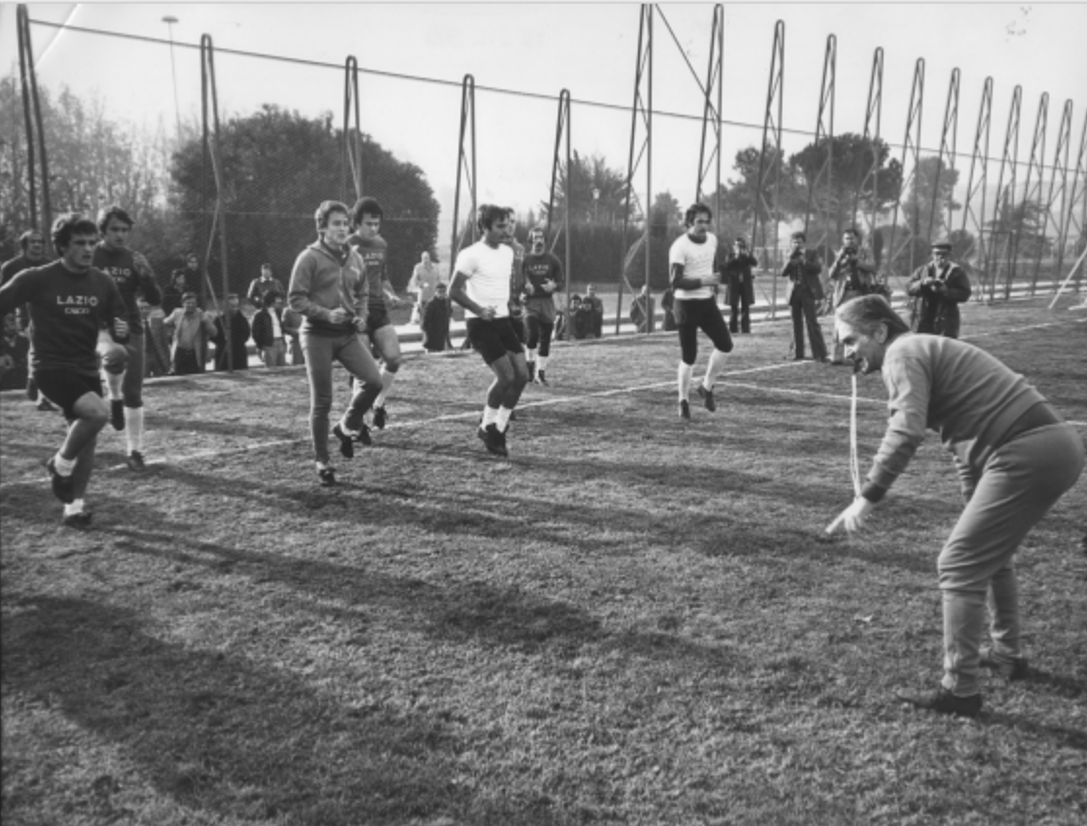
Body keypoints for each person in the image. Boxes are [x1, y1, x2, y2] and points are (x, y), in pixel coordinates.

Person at [827, 295, 1085, 717]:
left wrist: (867, 498)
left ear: (879, 331)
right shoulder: (919, 348)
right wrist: (973, 498)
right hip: (1048, 447)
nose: (848, 352)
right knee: (992, 558)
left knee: (958, 564)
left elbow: (905, 431)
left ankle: (960, 691)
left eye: (851, 340)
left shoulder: (901, 352)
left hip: (1028, 449)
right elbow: (960, 431)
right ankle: (1007, 654)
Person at [0, 213, 129, 527]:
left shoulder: (103, 281)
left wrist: (118, 344)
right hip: (50, 366)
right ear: (61, 247)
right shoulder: (36, 277)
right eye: (79, 243)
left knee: (88, 440)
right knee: (97, 414)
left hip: (86, 366)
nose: (88, 249)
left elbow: (119, 325)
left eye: (91, 242)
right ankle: (58, 465)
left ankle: (74, 508)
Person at [289, 199, 383, 487]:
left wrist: (362, 317)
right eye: (336, 224)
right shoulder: (309, 257)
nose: (342, 229)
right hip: (317, 334)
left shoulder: (354, 258)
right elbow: (295, 299)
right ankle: (322, 461)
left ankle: (346, 426)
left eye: (345, 223)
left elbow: (363, 293)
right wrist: (326, 314)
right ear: (322, 227)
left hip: (346, 334)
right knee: (323, 401)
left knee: (374, 381)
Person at [449, 203, 530, 458]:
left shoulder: (508, 252)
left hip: (503, 321)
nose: (505, 230)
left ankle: (494, 428)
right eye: (499, 226)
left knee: (523, 376)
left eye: (507, 225)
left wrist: (515, 302)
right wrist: (478, 309)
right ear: (484, 227)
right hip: (480, 324)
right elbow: (453, 291)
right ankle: (490, 428)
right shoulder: (470, 254)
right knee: (505, 377)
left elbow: (502, 286)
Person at [92, 205, 163, 472]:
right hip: (98, 327)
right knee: (111, 358)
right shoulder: (91, 255)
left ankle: (135, 451)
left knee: (134, 392)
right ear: (102, 231)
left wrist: (147, 278)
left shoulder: (134, 258)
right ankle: (113, 395)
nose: (120, 235)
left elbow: (155, 300)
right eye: (114, 229)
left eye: (124, 230)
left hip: (131, 325)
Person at [668, 204, 735, 421]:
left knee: (725, 345)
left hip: (707, 303)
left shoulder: (713, 240)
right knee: (689, 357)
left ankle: (706, 387)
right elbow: (675, 282)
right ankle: (683, 401)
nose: (704, 226)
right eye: (699, 221)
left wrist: (716, 281)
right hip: (685, 305)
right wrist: (703, 281)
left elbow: (712, 265)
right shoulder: (679, 246)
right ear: (689, 223)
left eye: (707, 221)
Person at [347, 196, 405, 434]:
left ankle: (378, 405)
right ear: (357, 222)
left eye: (376, 224)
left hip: (379, 309)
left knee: (393, 359)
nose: (373, 228)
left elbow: (381, 276)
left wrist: (390, 294)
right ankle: (357, 420)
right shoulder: (347, 244)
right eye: (368, 223)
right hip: (357, 310)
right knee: (364, 370)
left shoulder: (381, 244)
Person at [1, 228, 56, 410]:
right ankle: (42, 395)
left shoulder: (50, 266)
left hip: (47, 315)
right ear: (24, 246)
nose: (38, 245)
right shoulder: (11, 267)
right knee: (40, 345)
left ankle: (35, 382)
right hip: (24, 315)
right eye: (33, 242)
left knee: (44, 350)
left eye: (41, 242)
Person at [827, 227, 878, 364]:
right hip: (843, 293)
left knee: (856, 326)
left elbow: (873, 267)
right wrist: (840, 260)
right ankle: (836, 356)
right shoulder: (840, 253)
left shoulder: (865, 251)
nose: (849, 241)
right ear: (843, 240)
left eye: (852, 238)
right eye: (847, 238)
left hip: (859, 291)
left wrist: (858, 262)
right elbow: (831, 274)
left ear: (857, 239)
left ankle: (852, 355)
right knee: (839, 325)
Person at [521, 227, 564, 384]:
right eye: (535, 238)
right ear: (530, 241)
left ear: (545, 241)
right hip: (531, 303)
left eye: (541, 238)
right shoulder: (525, 260)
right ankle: (529, 368)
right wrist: (522, 292)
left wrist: (554, 286)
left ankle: (541, 372)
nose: (538, 241)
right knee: (532, 335)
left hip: (547, 302)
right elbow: (517, 282)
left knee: (546, 338)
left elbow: (561, 283)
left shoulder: (553, 260)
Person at [907, 240, 972, 339]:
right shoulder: (922, 271)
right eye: (937, 254)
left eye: (944, 254)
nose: (940, 257)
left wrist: (946, 291)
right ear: (932, 255)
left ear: (949, 255)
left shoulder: (956, 272)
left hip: (946, 321)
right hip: (922, 319)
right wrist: (922, 283)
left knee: (943, 350)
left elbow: (965, 293)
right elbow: (909, 288)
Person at [780, 230, 828, 362]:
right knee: (795, 323)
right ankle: (797, 352)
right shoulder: (789, 255)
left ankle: (819, 353)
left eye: (799, 242)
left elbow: (818, 268)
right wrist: (790, 261)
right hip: (794, 292)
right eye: (794, 242)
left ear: (804, 243)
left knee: (812, 322)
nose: (797, 245)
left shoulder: (812, 253)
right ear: (791, 243)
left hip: (808, 291)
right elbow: (783, 273)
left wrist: (804, 261)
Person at [164, 292, 217, 375]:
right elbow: (165, 324)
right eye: (188, 303)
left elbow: (214, 332)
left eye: (193, 303)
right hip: (180, 352)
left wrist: (207, 321)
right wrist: (170, 334)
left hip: (195, 353)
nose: (191, 305)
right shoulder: (177, 313)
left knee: (195, 376)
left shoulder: (201, 315)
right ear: (182, 303)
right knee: (178, 377)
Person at [723, 237, 759, 335]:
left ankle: (745, 329)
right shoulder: (730, 255)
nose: (738, 247)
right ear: (733, 246)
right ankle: (733, 329)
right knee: (734, 308)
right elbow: (726, 266)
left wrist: (746, 254)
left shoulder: (746, 255)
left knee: (745, 308)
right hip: (734, 284)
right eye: (737, 245)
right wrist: (735, 257)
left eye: (741, 245)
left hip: (745, 284)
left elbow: (755, 263)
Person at [213, 293, 252, 371]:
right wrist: (222, 341)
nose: (234, 308)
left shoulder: (242, 320)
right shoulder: (219, 320)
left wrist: (235, 341)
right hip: (223, 351)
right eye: (232, 306)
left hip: (238, 351)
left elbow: (246, 334)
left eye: (236, 306)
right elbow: (213, 336)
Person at [252, 292, 289, 367]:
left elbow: (281, 327)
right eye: (278, 302)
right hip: (270, 344)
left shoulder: (278, 312)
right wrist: (259, 346)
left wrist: (284, 342)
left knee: (283, 368)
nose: (280, 304)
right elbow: (256, 332)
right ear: (271, 302)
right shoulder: (260, 314)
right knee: (272, 369)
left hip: (280, 342)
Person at [407, 251, 442, 325]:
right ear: (421, 259)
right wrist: (421, 284)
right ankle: (416, 321)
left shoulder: (435, 267)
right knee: (421, 309)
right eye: (423, 258)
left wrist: (438, 288)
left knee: (434, 310)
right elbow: (415, 279)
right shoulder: (418, 267)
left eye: (427, 258)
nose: (425, 260)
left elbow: (438, 279)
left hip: (433, 293)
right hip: (423, 293)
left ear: (429, 258)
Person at [138, 297, 171, 378]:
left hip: (158, 356)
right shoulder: (133, 324)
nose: (144, 311)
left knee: (162, 381)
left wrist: (167, 360)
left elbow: (165, 343)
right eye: (141, 308)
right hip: (142, 358)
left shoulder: (158, 322)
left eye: (147, 308)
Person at [421, 282, 453, 352]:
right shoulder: (431, 303)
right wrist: (428, 334)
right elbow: (425, 321)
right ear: (435, 292)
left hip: (443, 332)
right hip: (432, 333)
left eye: (443, 291)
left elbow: (449, 313)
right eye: (439, 292)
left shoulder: (447, 302)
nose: (441, 294)